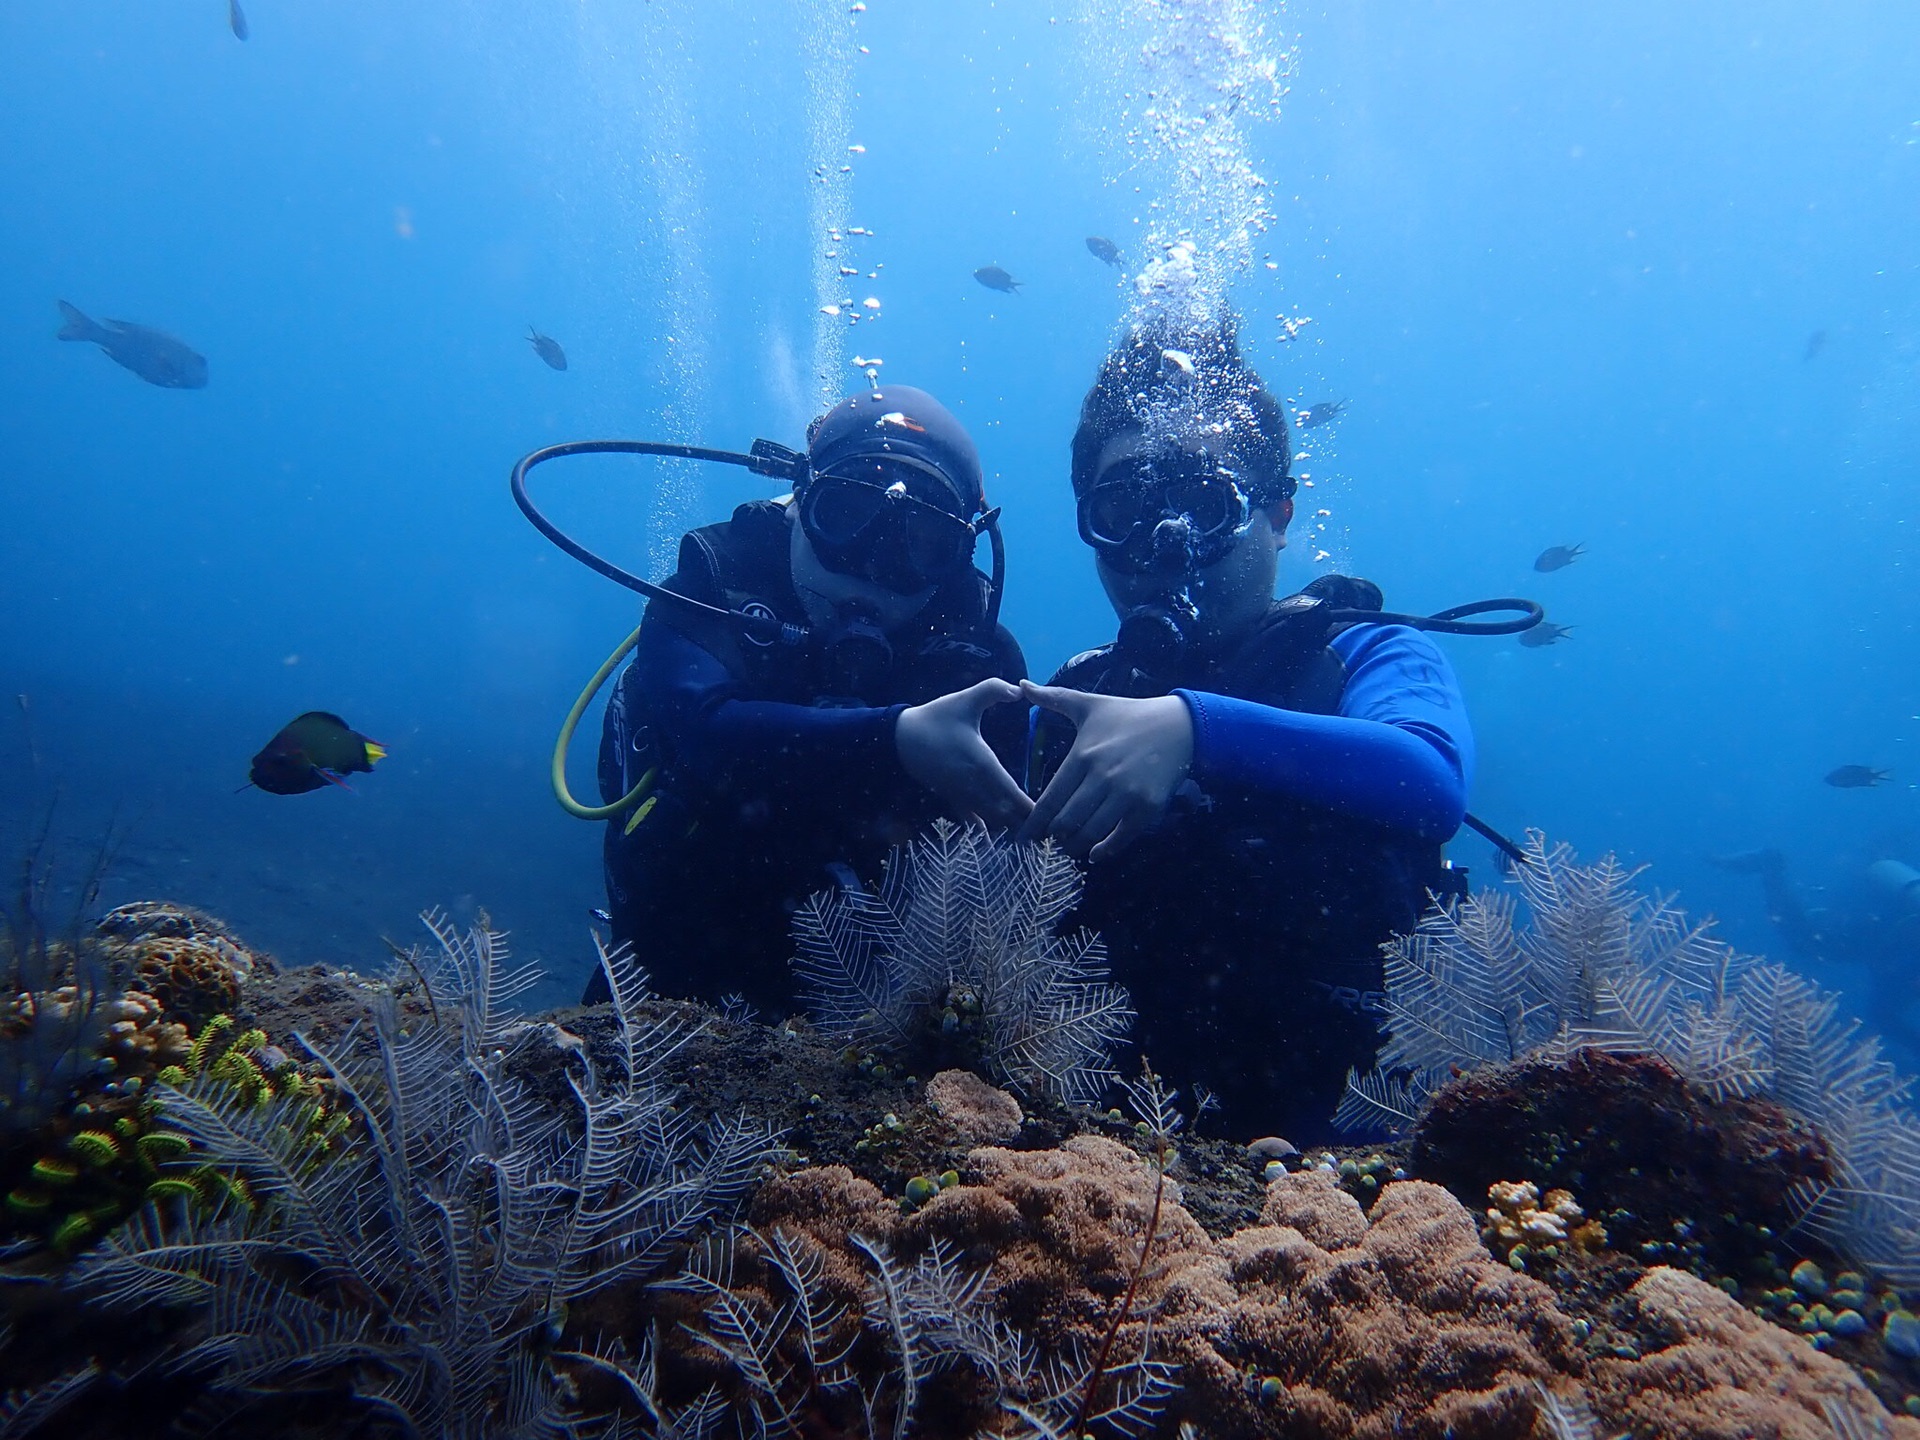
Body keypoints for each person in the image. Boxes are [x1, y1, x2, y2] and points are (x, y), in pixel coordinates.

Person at [1021, 318, 1476, 1142]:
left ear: (1278, 515)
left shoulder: (1363, 652)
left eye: (1204, 501)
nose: (1168, 544)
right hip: (1094, 1152)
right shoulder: (1076, 699)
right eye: (1125, 507)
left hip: (1354, 1169)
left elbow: (1430, 777)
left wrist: (1195, 727)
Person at [590, 385, 1031, 1011]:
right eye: (846, 513)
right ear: (800, 500)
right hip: (671, 978)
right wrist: (897, 737)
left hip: (888, 1010)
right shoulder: (711, 587)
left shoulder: (979, 657)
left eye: (926, 541)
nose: (874, 565)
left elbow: (1010, 847)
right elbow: (702, 732)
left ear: (958, 558)